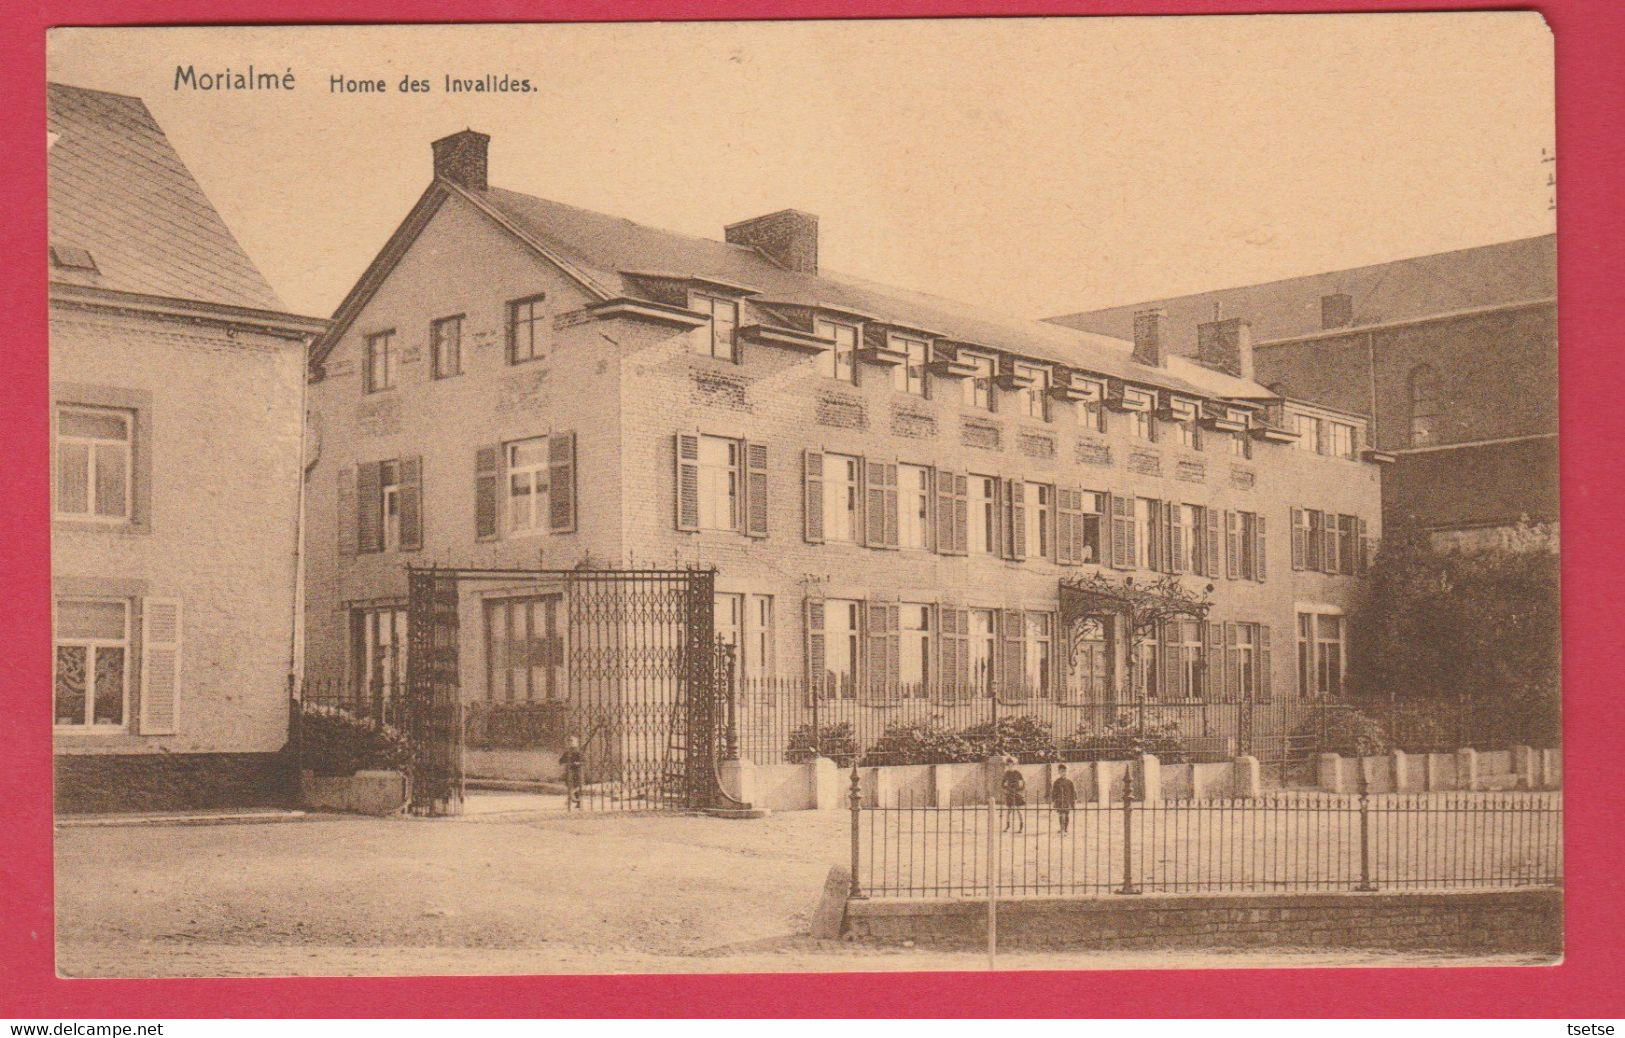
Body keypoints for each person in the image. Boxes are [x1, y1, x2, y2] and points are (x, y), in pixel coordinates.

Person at [1050, 763, 1077, 834]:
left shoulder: (1070, 782)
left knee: (1067, 815)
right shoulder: (1056, 782)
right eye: (1061, 771)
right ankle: (1062, 828)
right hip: (1059, 801)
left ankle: (1065, 828)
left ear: (1067, 772)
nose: (1063, 773)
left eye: (1065, 771)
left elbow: (1073, 792)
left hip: (1067, 801)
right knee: (1061, 815)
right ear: (1059, 772)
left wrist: (1073, 801)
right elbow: (1054, 792)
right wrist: (1053, 800)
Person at [1000, 758, 1026, 833]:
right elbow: (1002, 784)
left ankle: (1021, 827)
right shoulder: (1006, 773)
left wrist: (1020, 790)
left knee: (1019, 810)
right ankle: (1008, 826)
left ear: (1014, 765)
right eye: (1008, 765)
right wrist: (1006, 789)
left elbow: (1023, 782)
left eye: (1011, 764)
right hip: (1010, 793)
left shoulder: (1018, 773)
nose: (1010, 766)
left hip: (1017, 793)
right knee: (1009, 811)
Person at [560, 735, 585, 809]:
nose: (570, 743)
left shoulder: (579, 752)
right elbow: (561, 760)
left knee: (576, 786)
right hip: (569, 771)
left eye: (572, 741)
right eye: (569, 741)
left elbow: (583, 761)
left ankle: (574, 800)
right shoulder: (567, 752)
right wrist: (563, 762)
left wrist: (578, 763)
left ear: (576, 743)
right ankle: (574, 800)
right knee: (570, 786)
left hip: (577, 771)